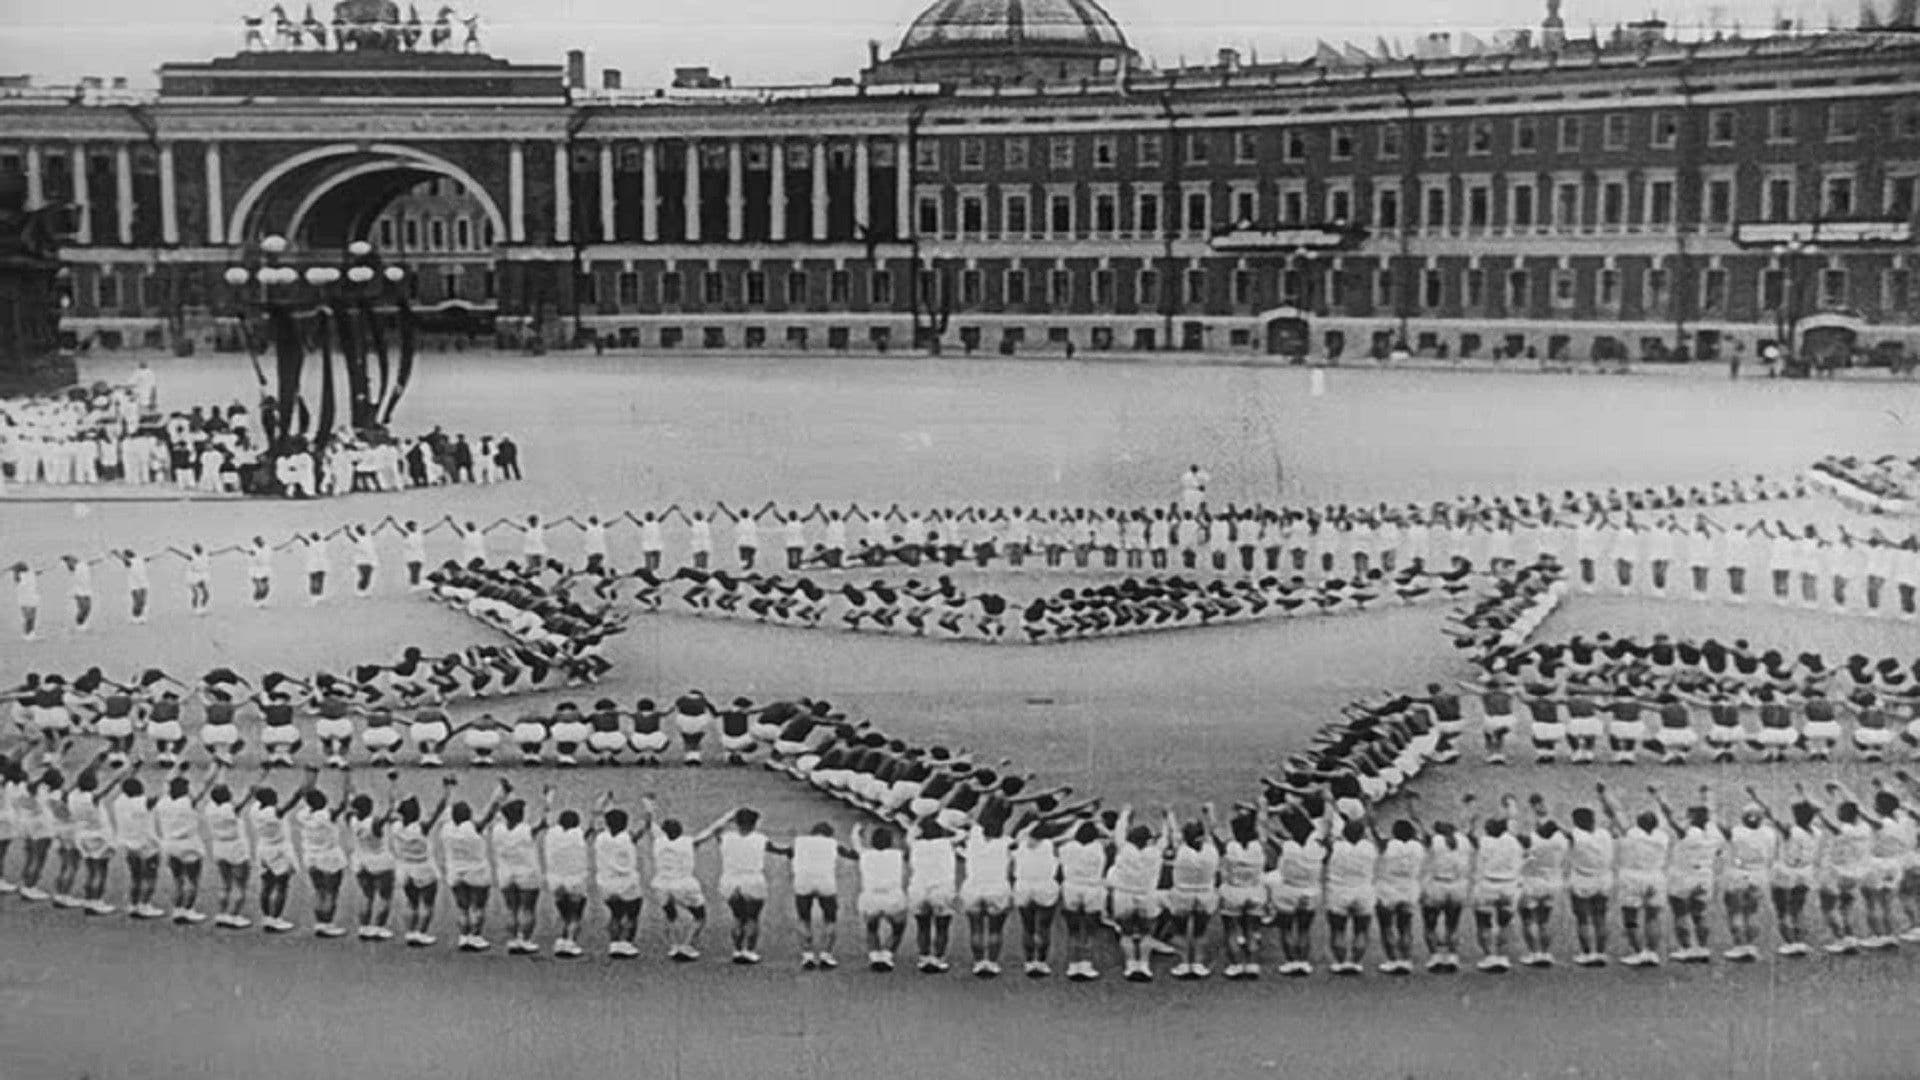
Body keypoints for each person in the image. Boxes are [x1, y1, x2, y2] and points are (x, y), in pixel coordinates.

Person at [1602, 782, 1669, 967]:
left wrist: (1604, 793)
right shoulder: (1662, 837)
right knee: (1653, 916)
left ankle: (1639, 951)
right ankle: (1652, 952)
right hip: (1655, 877)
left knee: (1630, 918)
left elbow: (1616, 811)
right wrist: (1658, 795)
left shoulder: (1630, 834)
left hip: (1631, 878)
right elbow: (1664, 814)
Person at [441, 778, 506, 952]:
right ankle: (475, 936)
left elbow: (449, 808)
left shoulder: (446, 829)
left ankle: (463, 936)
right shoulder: (473, 828)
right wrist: (500, 794)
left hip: (455, 873)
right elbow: (490, 813)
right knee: (478, 905)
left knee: (462, 907)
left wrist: (449, 789)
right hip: (476, 872)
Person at [391, 777, 456, 947]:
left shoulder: (396, 827)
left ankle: (410, 931)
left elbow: (395, 802)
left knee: (411, 902)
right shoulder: (421, 828)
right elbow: (439, 809)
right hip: (424, 868)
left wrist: (394, 783)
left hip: (405, 868)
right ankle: (421, 932)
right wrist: (447, 790)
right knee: (427, 903)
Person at [775, 821, 847, 970]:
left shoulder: (799, 842)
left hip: (803, 882)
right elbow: (849, 853)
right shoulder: (833, 843)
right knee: (830, 919)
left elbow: (788, 853)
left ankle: (807, 954)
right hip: (825, 883)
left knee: (804, 918)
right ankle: (826, 954)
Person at [294, 767, 352, 937]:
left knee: (319, 891)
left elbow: (307, 794)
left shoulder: (303, 815)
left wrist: (311, 776)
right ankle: (328, 923)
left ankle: (320, 923)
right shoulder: (327, 815)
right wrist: (346, 778)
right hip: (330, 857)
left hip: (311, 857)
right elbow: (344, 803)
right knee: (332, 892)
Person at [154, 762, 214, 924]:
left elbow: (166, 782)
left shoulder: (162, 802)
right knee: (193, 880)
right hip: (189, 845)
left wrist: (177, 769)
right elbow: (206, 785)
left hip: (170, 844)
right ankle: (188, 909)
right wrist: (215, 766)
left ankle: (177, 909)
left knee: (178, 880)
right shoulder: (189, 802)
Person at [958, 816, 1015, 977]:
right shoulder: (1005, 844)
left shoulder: (973, 842)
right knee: (995, 929)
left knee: (976, 928)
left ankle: (978, 962)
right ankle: (991, 962)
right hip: (997, 889)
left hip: (972, 889)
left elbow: (971, 825)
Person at [491, 786, 545, 955]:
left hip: (506, 873)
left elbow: (500, 812)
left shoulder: (498, 829)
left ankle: (513, 939)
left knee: (511, 908)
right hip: (527, 873)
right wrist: (547, 797)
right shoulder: (526, 830)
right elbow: (543, 821)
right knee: (527, 908)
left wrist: (504, 793)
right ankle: (525, 939)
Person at [1565, 791, 1617, 966]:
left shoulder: (1575, 836)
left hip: (1582, 880)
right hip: (1603, 880)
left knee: (1583, 918)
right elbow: (1613, 816)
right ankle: (1601, 952)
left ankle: (1587, 953)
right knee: (1600, 917)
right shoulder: (1605, 834)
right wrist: (1603, 797)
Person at [651, 812, 709, 961]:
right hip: (684, 885)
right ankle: (687, 945)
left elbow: (651, 824)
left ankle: (675, 945)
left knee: (670, 915)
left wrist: (648, 806)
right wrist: (727, 819)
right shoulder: (689, 842)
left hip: (661, 884)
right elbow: (708, 833)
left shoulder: (659, 841)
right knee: (700, 916)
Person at [543, 790, 594, 958]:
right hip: (575, 881)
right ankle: (570, 941)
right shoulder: (578, 835)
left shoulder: (551, 834)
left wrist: (549, 797)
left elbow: (547, 816)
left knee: (564, 912)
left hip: (555, 880)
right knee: (575, 914)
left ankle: (562, 939)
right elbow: (592, 826)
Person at [347, 774, 398, 940]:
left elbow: (350, 801)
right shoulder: (375, 823)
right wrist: (392, 784)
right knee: (385, 896)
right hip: (380, 862)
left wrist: (348, 780)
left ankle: (364, 927)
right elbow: (391, 810)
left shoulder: (352, 820)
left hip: (361, 862)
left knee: (366, 895)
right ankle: (378, 927)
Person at [595, 799, 647, 959]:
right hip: (627, 884)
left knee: (615, 914)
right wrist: (648, 807)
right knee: (632, 914)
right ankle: (626, 943)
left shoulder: (601, 838)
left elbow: (598, 817)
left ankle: (614, 943)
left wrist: (604, 803)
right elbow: (644, 827)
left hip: (606, 884)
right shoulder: (628, 838)